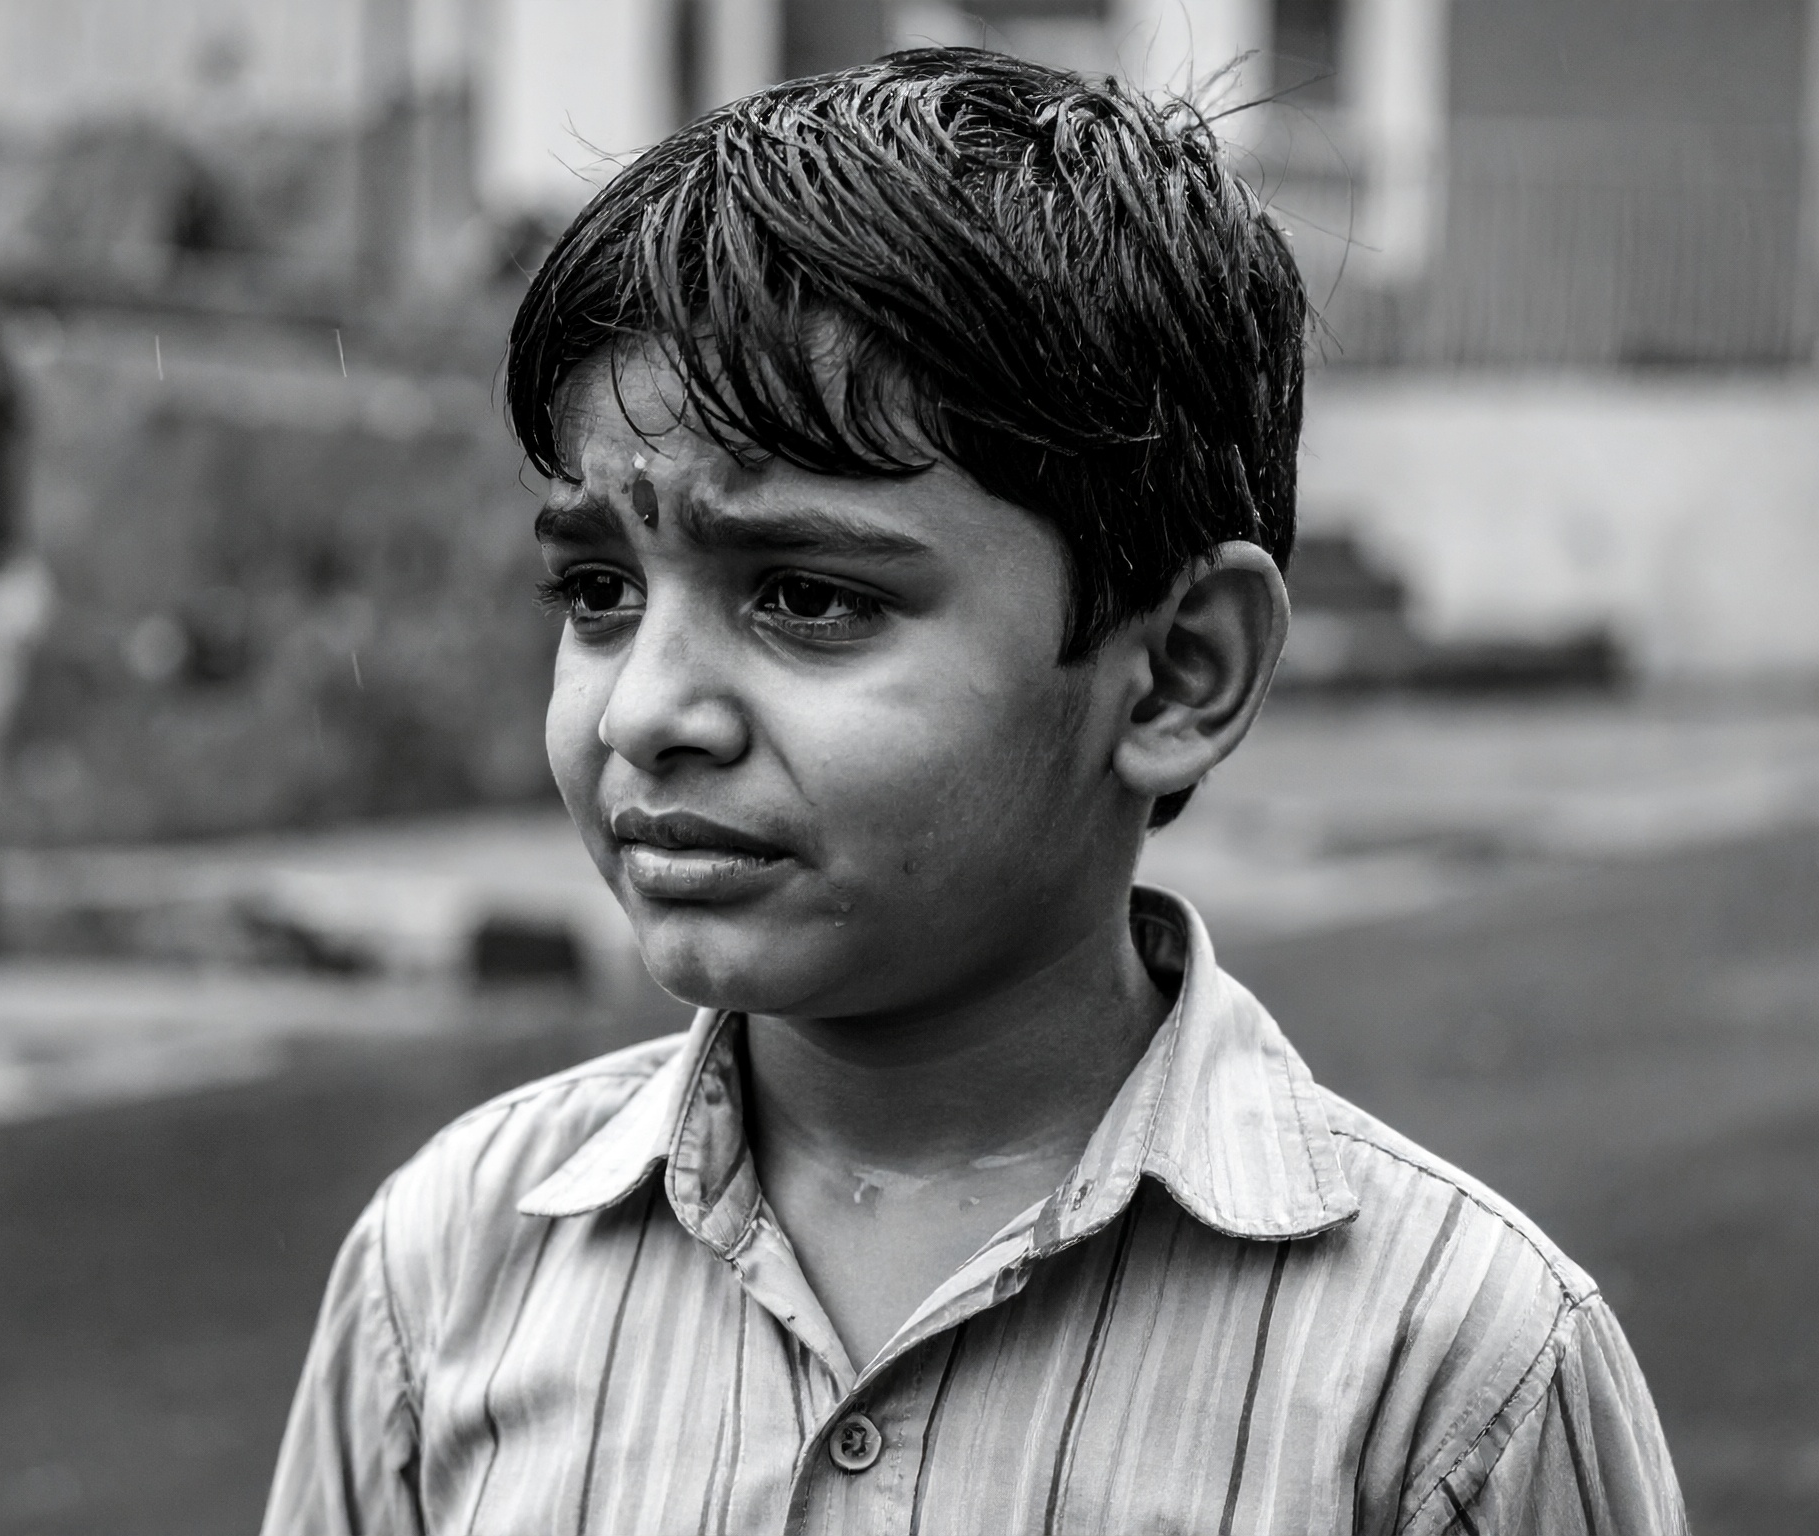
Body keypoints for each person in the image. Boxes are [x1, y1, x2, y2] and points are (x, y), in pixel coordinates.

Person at [263, 48, 1684, 1535]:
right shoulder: (448, 1267)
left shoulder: (1450, 1368)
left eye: (809, 597)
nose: (648, 709)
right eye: (600, 590)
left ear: (1177, 674)